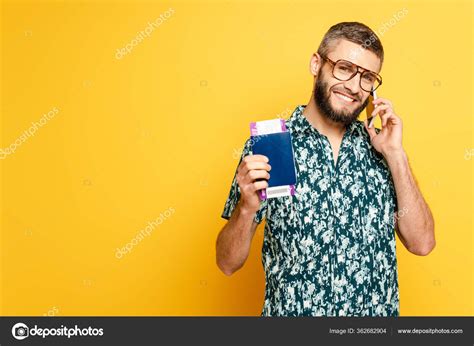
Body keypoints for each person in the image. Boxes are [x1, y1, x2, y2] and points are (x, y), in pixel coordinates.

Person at [216, 22, 435, 316]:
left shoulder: (383, 150)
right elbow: (227, 263)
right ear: (316, 64)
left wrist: (396, 154)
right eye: (344, 68)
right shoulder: (270, 147)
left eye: (367, 77)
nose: (354, 87)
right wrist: (245, 209)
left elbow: (422, 243)